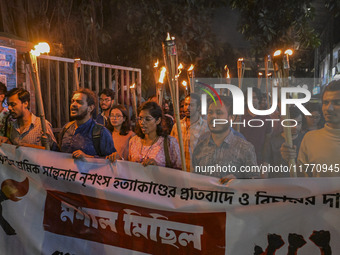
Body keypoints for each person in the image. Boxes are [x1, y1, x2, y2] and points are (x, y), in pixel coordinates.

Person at [282, 80, 340, 177]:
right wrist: (289, 159)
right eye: (325, 102)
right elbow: (303, 178)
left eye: (337, 102)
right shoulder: (310, 138)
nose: (329, 108)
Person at [192, 96, 258, 179]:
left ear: (231, 118)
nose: (213, 116)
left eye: (219, 113)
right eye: (210, 112)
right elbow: (195, 178)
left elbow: (254, 182)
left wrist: (238, 183)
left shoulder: (245, 148)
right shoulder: (200, 145)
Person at [60, 88, 116, 159]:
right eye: (72, 101)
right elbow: (59, 155)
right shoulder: (66, 128)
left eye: (79, 102)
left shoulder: (101, 133)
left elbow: (111, 162)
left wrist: (88, 158)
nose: (73, 104)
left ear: (90, 108)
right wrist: (51, 144)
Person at [129, 101, 182, 169]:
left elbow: (178, 172)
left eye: (147, 119)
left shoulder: (170, 143)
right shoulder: (133, 141)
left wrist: (157, 168)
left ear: (158, 120)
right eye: (140, 118)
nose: (142, 122)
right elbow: (129, 168)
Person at [171, 93, 208, 171]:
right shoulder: (177, 125)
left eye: (191, 105)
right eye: (185, 104)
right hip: (178, 171)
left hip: (195, 173)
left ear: (198, 108)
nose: (187, 108)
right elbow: (171, 147)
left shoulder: (206, 128)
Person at [264, 106, 304, 177]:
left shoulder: (305, 140)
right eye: (292, 123)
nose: (296, 127)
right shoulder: (272, 141)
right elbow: (265, 166)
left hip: (299, 184)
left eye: (299, 123)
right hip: (277, 184)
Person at [240, 87, 272, 164]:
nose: (251, 100)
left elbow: (267, 142)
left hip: (259, 159)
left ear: (259, 99)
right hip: (241, 158)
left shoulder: (266, 118)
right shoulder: (240, 117)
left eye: (254, 97)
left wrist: (265, 162)